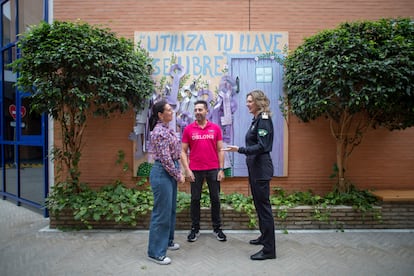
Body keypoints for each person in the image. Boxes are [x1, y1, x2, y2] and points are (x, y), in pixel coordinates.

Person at [223, 89, 276, 260]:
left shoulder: (264, 120)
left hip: (261, 170)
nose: (247, 104)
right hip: (256, 169)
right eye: (247, 101)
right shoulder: (257, 120)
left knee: (264, 209)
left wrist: (240, 149)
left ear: (259, 102)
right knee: (260, 207)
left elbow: (263, 146)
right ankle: (264, 237)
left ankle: (269, 250)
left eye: (250, 101)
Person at [181, 100, 227, 242]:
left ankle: (217, 229)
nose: (197, 112)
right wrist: (187, 169)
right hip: (195, 170)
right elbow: (182, 151)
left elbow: (220, 150)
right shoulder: (188, 129)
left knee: (215, 199)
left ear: (207, 111)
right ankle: (195, 229)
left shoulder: (215, 128)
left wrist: (221, 169)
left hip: (213, 169)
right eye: (195, 110)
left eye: (200, 109)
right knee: (195, 199)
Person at [147, 99, 185, 265]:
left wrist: (178, 170)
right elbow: (165, 159)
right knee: (161, 213)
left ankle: (167, 241)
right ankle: (155, 252)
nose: (171, 112)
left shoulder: (167, 129)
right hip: (163, 172)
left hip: (169, 170)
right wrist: (178, 174)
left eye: (171, 109)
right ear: (160, 115)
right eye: (168, 110)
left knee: (170, 210)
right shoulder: (158, 132)